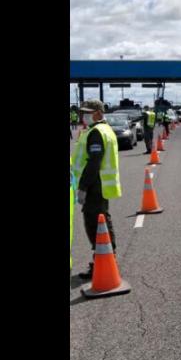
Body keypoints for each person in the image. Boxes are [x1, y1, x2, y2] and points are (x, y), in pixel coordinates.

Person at [71, 100, 122, 280]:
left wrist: (83, 187)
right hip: (99, 184)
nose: (83, 116)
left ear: (99, 113)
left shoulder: (96, 133)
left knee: (95, 223)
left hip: (95, 185)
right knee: (101, 220)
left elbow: (94, 162)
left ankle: (104, 259)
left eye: (88, 112)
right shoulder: (100, 130)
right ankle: (105, 257)